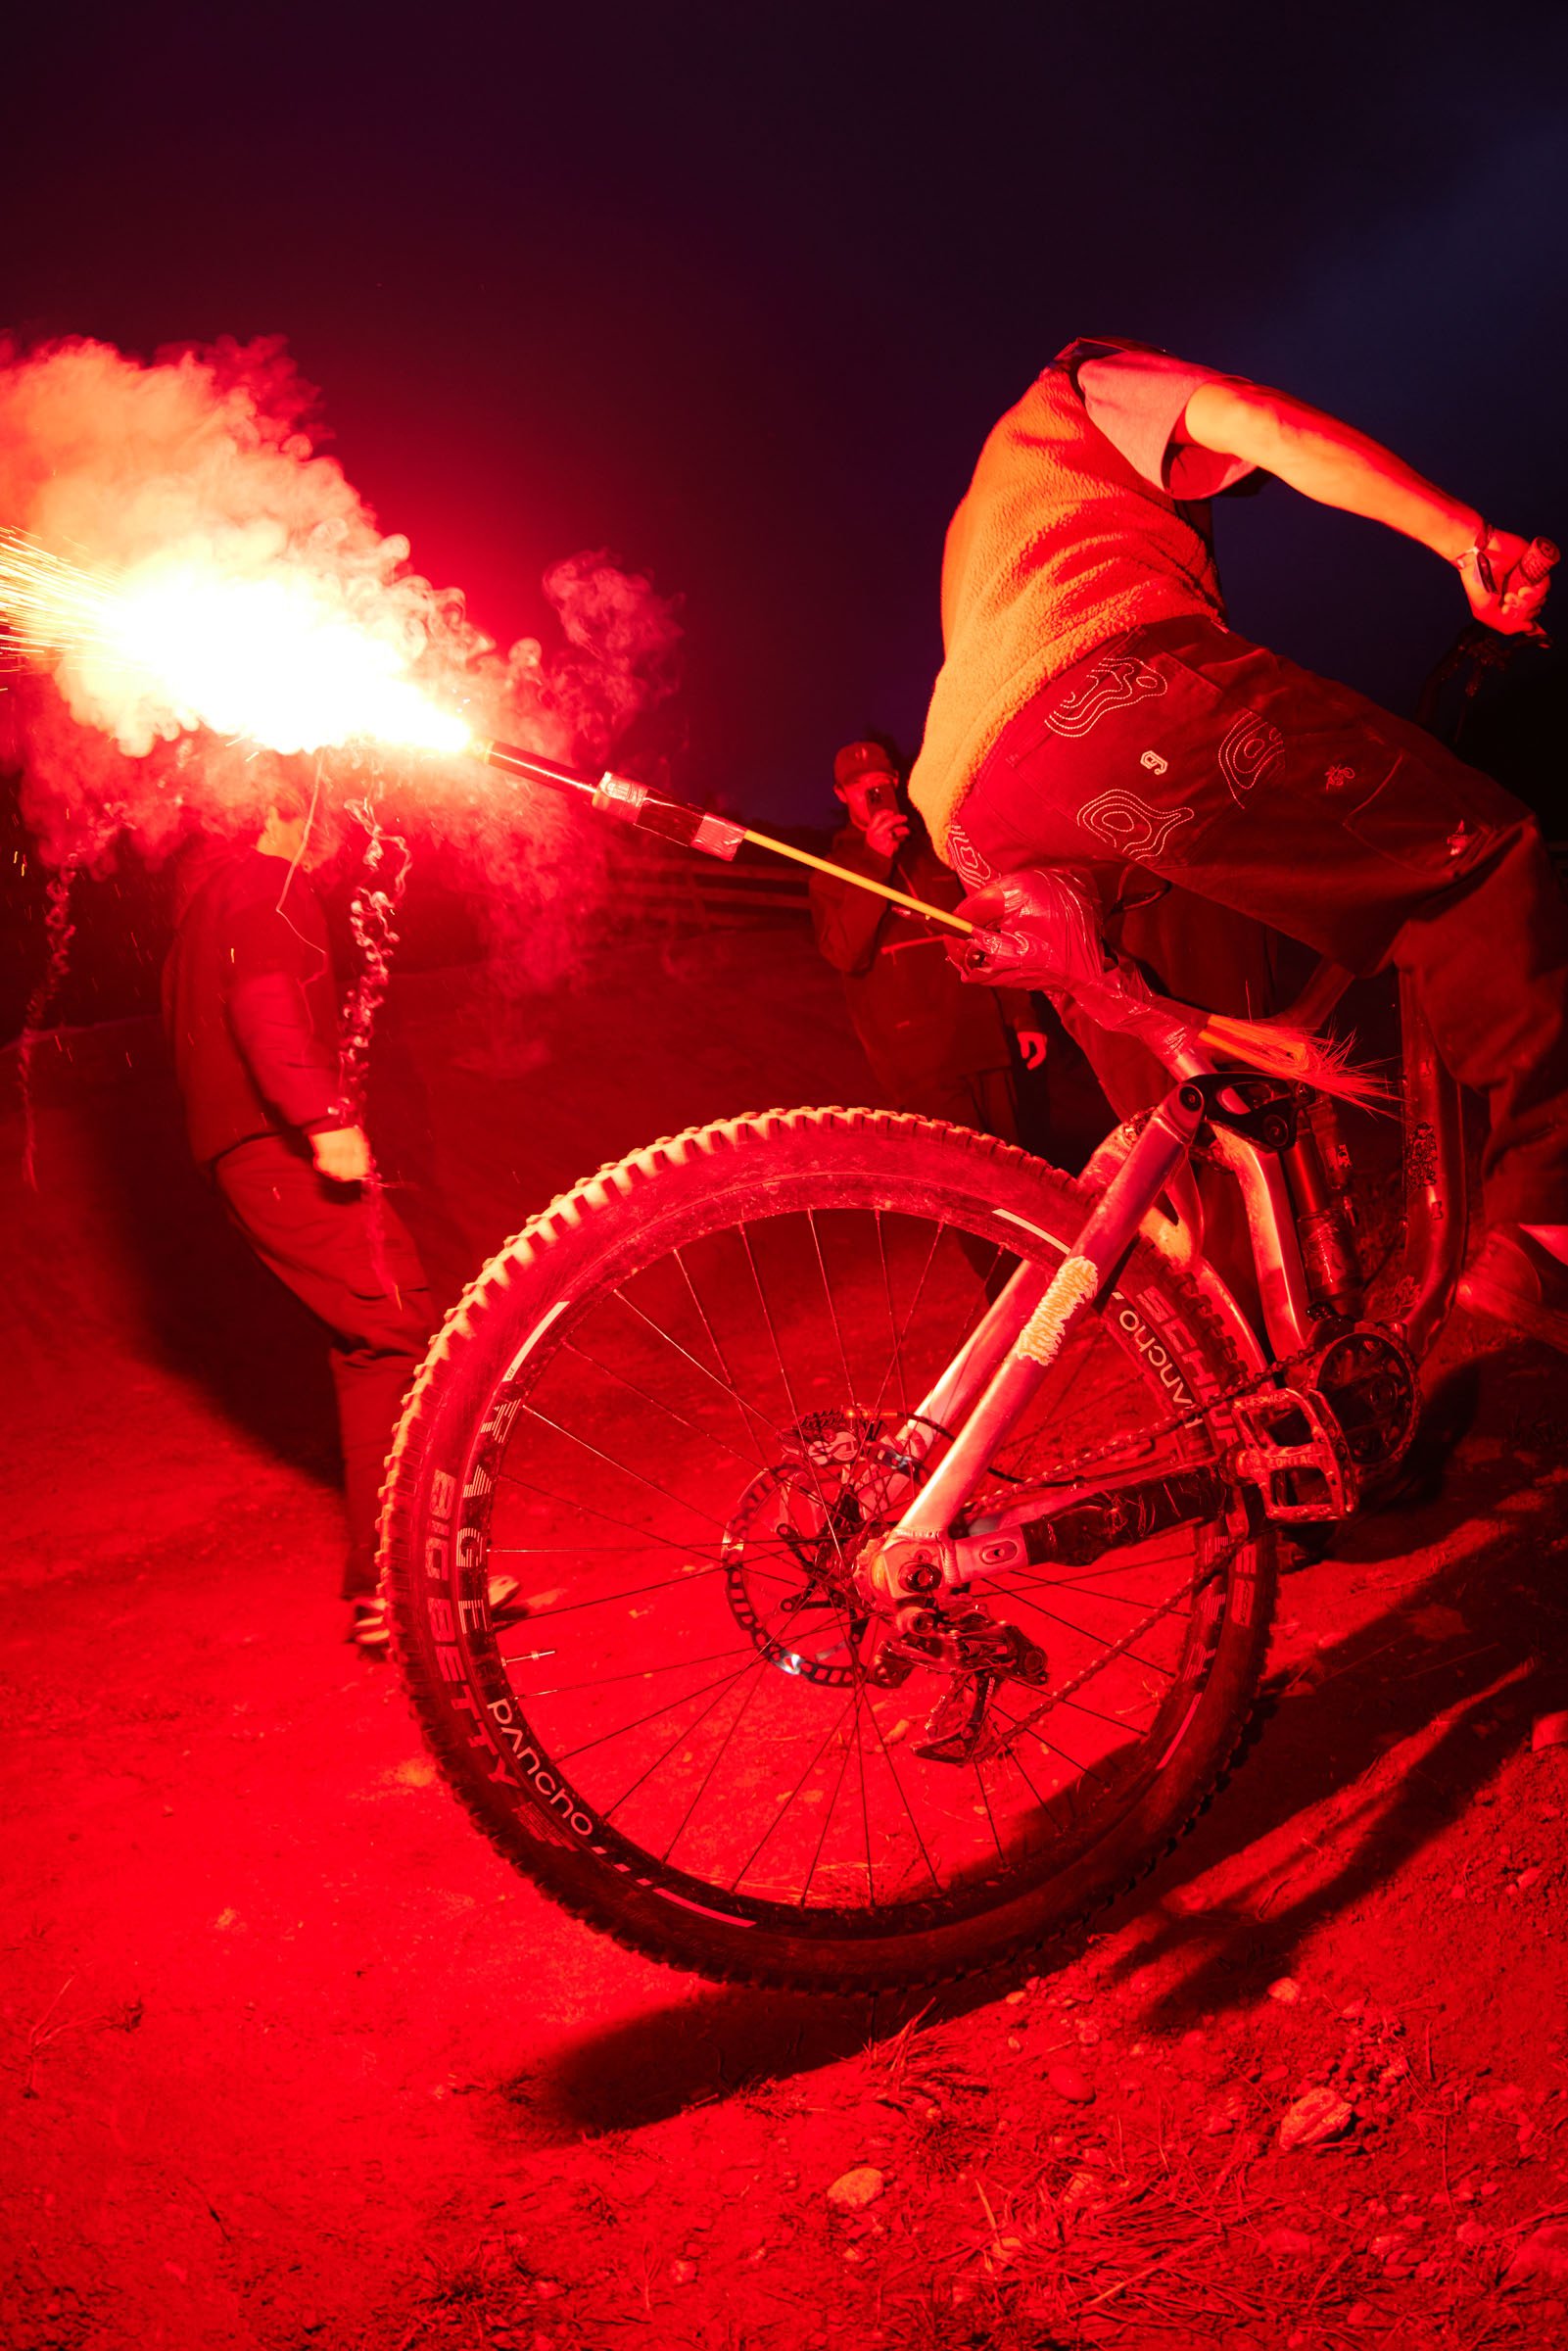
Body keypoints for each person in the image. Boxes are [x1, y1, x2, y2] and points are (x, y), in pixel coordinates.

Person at [907, 336, 1568, 1350]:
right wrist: (1464, 541)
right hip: (1100, 693)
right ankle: (1546, 1208)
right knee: (1470, 857)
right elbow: (1268, 424)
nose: (1212, 490)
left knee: (1195, 1115)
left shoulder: (992, 519)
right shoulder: (1079, 384)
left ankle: (1266, 1400)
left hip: (981, 817)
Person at [163, 776, 469, 1651]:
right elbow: (262, 1002)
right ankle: (412, 1577)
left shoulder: (207, 904)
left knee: (373, 1340)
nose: (336, 828)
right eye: (320, 808)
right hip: (278, 1144)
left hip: (241, 1152)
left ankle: (394, 1578)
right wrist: (322, 1118)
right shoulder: (269, 885)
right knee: (400, 1323)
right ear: (276, 807)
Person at [810, 738, 1047, 1139]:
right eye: (860, 786)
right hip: (917, 1064)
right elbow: (845, 953)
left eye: (880, 781)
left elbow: (987, 933)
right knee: (965, 1185)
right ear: (840, 794)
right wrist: (874, 862)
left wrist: (1022, 1015)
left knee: (1018, 1168)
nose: (873, 793)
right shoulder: (832, 873)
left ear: (897, 781)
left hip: (985, 1040)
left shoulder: (937, 851)